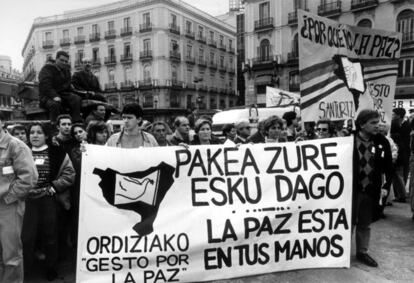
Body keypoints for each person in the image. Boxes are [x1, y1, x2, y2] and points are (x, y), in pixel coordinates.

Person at [22, 122, 75, 281]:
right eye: (32, 132)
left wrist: (54, 187)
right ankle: (26, 269)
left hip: (48, 199)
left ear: (46, 136)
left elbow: (69, 174)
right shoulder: (22, 151)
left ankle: (51, 267)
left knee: (50, 235)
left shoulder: (58, 152)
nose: (35, 135)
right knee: (26, 237)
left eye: (39, 132)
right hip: (26, 200)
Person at [0, 113, 38, 283]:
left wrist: (8, 198)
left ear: (2, 123)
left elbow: (29, 178)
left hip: (8, 206)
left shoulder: (16, 146)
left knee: (11, 255)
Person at [353, 109, 392, 267]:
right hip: (351, 191)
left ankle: (362, 252)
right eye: (373, 123)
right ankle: (340, 252)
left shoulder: (382, 141)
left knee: (365, 223)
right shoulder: (348, 139)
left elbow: (388, 167)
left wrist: (385, 186)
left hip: (371, 190)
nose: (378, 126)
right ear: (362, 124)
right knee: (347, 222)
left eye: (378, 122)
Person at [38, 51, 82, 122]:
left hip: (61, 95)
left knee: (76, 99)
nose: (64, 63)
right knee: (55, 105)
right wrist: (54, 96)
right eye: (62, 60)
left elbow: (68, 87)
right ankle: (55, 125)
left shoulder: (66, 71)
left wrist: (76, 92)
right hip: (47, 96)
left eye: (66, 61)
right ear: (56, 59)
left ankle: (76, 122)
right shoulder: (47, 69)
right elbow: (45, 85)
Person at [390, 108, 410, 202]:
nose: (392, 115)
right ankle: (399, 195)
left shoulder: (405, 126)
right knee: (398, 176)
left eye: (394, 114)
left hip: (402, 154)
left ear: (398, 115)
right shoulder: (399, 125)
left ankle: (402, 195)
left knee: (399, 175)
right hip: (402, 154)